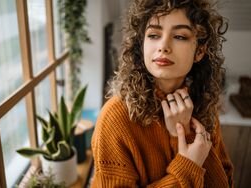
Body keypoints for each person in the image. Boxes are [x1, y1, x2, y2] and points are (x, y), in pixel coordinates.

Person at [91, 0, 234, 187]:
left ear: (199, 51)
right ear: (141, 44)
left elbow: (225, 183)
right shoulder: (115, 118)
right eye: (153, 35)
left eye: (180, 37)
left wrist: (185, 133)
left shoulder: (204, 106)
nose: (163, 46)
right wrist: (188, 166)